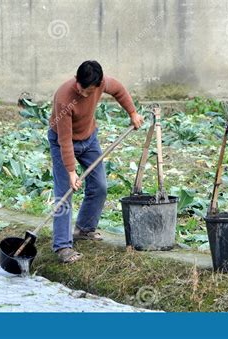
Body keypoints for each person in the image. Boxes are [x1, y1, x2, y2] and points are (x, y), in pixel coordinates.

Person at [48, 60, 143, 263]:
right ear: (77, 80)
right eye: (81, 88)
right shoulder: (65, 98)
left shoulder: (102, 83)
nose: (83, 93)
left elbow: (119, 90)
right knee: (64, 193)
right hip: (63, 142)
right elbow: (64, 140)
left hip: (89, 139)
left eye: (88, 91)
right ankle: (62, 247)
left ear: (98, 85)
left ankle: (84, 228)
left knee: (100, 186)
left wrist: (133, 113)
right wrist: (71, 172)